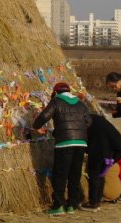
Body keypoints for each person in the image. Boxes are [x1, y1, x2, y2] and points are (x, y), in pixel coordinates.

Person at [33, 81, 91, 216]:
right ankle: (72, 205)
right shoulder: (80, 103)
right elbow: (89, 121)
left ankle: (59, 205)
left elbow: (44, 116)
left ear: (55, 92)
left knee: (60, 174)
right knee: (75, 174)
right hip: (81, 143)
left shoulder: (56, 102)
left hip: (65, 143)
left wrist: (36, 126)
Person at [81, 113, 121, 212]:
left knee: (94, 174)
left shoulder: (87, 121)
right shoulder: (99, 120)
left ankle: (93, 203)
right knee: (100, 175)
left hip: (100, 149)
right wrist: (112, 159)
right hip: (112, 149)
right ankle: (97, 201)